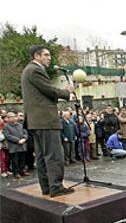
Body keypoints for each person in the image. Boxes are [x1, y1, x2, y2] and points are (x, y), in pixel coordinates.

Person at [21, 45, 74, 196]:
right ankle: (56, 187)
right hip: (45, 120)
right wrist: (66, 92)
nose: (49, 58)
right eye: (46, 55)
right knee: (54, 154)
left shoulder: (28, 70)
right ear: (37, 56)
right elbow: (49, 90)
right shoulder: (35, 70)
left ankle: (47, 187)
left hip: (36, 121)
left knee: (42, 156)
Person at [3, 112, 29, 179]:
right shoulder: (6, 126)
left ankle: (22, 171)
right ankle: (16, 173)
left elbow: (25, 132)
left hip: (22, 145)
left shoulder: (20, 125)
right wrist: (17, 140)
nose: (14, 118)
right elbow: (8, 136)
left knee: (22, 159)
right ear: (8, 118)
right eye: (11, 117)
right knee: (15, 160)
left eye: (14, 116)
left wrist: (24, 138)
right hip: (14, 146)